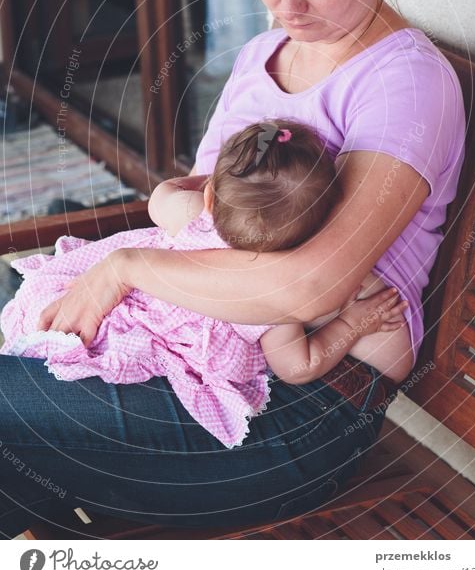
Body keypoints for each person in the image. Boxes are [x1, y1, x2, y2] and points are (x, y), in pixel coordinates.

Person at [0, 0, 465, 538]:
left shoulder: (404, 84)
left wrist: (124, 266)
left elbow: (309, 283)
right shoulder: (261, 57)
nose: (286, 5)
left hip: (294, 408)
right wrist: (173, 222)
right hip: (194, 344)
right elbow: (201, 211)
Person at [1, 120, 406, 450]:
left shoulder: (193, 217)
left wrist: (216, 187)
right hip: (141, 353)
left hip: (104, 313)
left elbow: (163, 194)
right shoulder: (271, 303)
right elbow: (299, 367)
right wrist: (354, 323)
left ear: (212, 198)